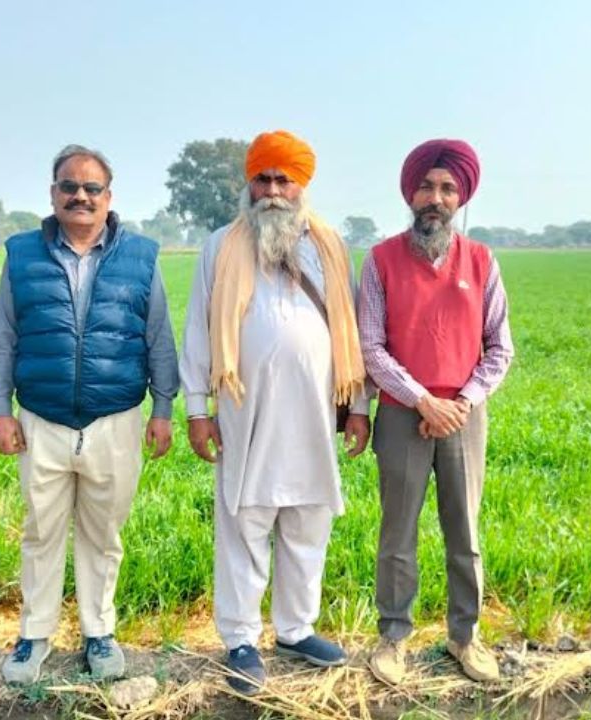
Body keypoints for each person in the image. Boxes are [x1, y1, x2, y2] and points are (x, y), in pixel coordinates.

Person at [179, 130, 370, 695]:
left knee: (308, 522)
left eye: (283, 179)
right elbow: (199, 329)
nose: (271, 191)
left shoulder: (330, 246)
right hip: (246, 412)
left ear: (301, 185)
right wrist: (196, 410)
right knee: (246, 522)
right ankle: (240, 639)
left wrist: (358, 407)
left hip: (315, 413)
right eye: (261, 179)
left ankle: (295, 630)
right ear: (249, 183)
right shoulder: (221, 245)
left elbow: (351, 332)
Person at [0, 145, 179, 684]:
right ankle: (34, 636)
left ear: (108, 198)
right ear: (53, 194)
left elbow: (158, 338)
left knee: (102, 533)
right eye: (69, 186)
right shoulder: (23, 254)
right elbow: (2, 338)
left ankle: (99, 632)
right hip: (41, 418)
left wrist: (163, 408)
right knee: (40, 531)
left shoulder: (140, 256)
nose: (80, 196)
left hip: (115, 419)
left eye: (92, 188)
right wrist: (1, 410)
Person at [359, 139, 515, 685]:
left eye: (448, 188)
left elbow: (500, 347)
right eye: (426, 186)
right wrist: (423, 400)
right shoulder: (380, 260)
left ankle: (464, 637)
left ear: (461, 198)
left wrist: (461, 403)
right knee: (397, 533)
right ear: (411, 194)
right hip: (402, 414)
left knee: (464, 532)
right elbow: (371, 346)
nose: (436, 197)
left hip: (464, 416)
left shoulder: (481, 261)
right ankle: (393, 637)